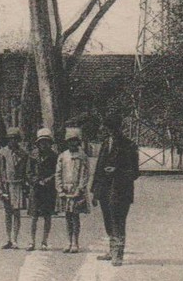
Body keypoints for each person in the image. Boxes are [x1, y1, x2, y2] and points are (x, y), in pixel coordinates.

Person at [91, 112, 140, 266]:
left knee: (118, 221)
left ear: (119, 128)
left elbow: (135, 172)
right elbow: (99, 168)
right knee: (108, 221)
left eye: (112, 129)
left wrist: (117, 171)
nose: (110, 132)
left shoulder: (129, 145)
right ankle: (112, 250)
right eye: (108, 129)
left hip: (121, 190)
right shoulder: (106, 144)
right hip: (105, 190)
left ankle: (118, 254)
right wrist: (95, 191)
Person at [55, 127, 92, 254]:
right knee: (67, 216)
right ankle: (68, 241)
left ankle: (75, 241)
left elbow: (85, 174)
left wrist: (80, 189)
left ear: (78, 142)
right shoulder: (63, 156)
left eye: (75, 141)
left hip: (76, 190)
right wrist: (60, 188)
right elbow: (58, 173)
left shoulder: (82, 156)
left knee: (75, 216)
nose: (72, 143)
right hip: (66, 189)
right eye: (70, 141)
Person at [0, 128, 29, 249]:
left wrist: (26, 187)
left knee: (17, 212)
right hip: (6, 186)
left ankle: (15, 239)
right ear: (7, 140)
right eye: (10, 139)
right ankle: (8, 238)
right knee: (8, 212)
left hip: (18, 185)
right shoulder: (2, 153)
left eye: (15, 139)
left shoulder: (23, 154)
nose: (13, 141)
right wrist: (0, 187)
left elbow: (26, 172)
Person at [28, 127, 58, 250]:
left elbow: (57, 172)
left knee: (47, 216)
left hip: (49, 190)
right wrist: (36, 180)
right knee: (34, 216)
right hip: (35, 189)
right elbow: (29, 172)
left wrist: (49, 180)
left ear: (50, 143)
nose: (44, 144)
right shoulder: (33, 156)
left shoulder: (54, 156)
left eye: (46, 142)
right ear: (38, 143)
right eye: (41, 142)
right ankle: (31, 241)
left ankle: (44, 241)